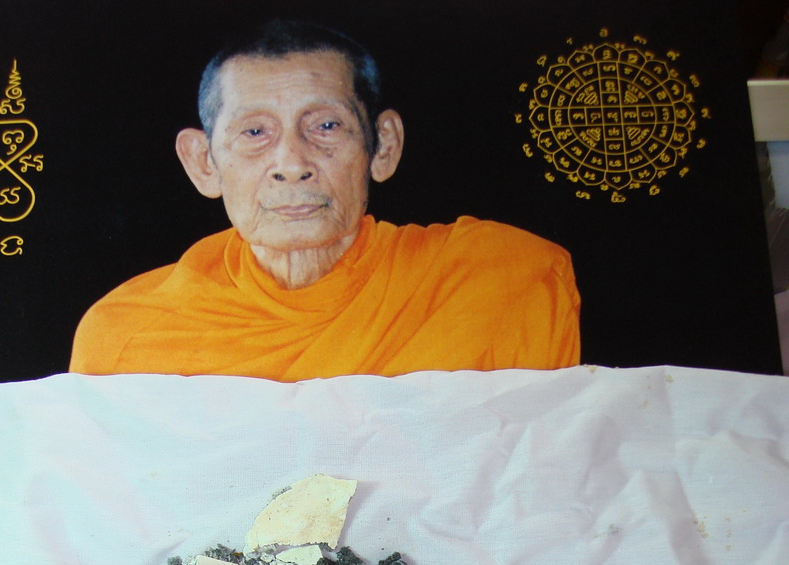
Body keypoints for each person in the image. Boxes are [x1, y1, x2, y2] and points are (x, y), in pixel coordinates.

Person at [70, 20, 580, 381]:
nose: (292, 162)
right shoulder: (126, 335)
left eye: (326, 126)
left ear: (383, 146)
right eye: (255, 132)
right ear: (204, 162)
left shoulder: (498, 280)